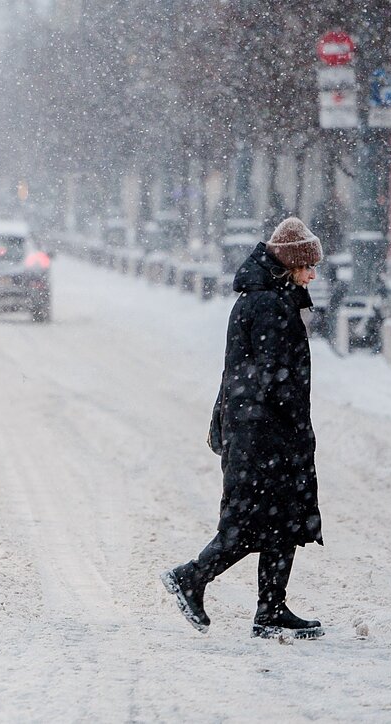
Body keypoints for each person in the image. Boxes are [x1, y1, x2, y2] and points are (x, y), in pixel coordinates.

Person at [161, 217, 324, 640]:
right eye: (308, 265)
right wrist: (292, 426)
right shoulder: (268, 304)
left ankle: (270, 610)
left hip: (262, 427)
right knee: (252, 521)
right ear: (290, 265)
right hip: (262, 431)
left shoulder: (272, 297)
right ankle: (191, 577)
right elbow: (273, 375)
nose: (313, 274)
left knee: (281, 519)